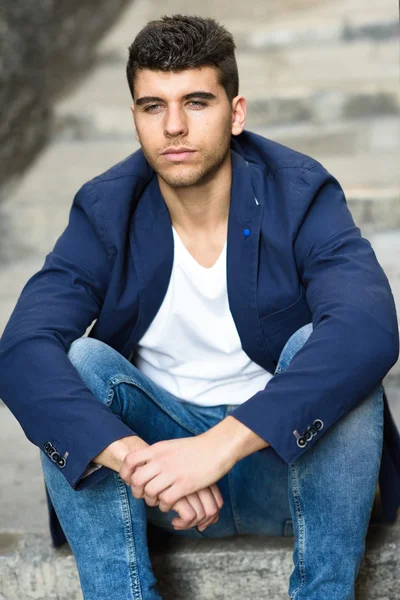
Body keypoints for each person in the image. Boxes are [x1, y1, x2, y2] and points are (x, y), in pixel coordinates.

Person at [0, 14, 399, 600]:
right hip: (159, 484)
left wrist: (220, 447)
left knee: (322, 348)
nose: (175, 127)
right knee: (79, 360)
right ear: (134, 116)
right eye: (153, 106)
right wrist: (138, 457)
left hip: (285, 469)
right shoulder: (106, 208)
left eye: (196, 101)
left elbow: (368, 327)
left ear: (236, 112)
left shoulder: (300, 190)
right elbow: (22, 349)